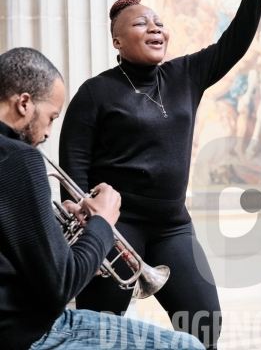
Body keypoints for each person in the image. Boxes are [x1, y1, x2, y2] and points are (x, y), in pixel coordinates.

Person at [59, 0, 261, 350]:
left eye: (158, 22)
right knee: (99, 329)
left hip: (172, 225)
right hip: (117, 227)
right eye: (141, 24)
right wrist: (89, 229)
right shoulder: (96, 92)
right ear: (117, 41)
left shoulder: (185, 75)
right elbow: (74, 169)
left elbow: (235, 41)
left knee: (205, 324)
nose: (155, 28)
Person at [0, 47, 204, 350]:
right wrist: (102, 222)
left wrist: (56, 232)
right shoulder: (20, 159)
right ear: (24, 103)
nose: (47, 133)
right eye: (51, 117)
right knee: (188, 345)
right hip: (28, 333)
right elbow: (61, 286)